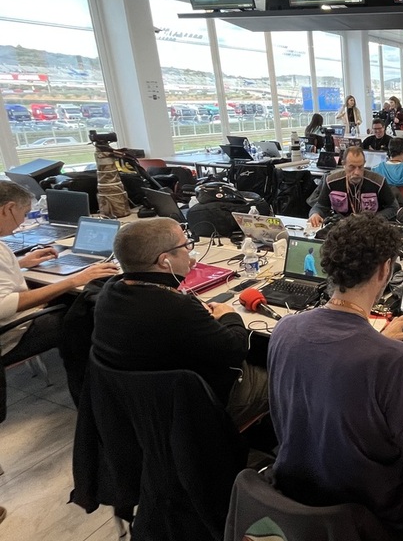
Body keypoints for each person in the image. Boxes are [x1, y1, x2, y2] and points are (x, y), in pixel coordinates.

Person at [268, 213, 403, 536]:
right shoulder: (394, 360)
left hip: (295, 496)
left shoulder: (285, 329)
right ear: (385, 269)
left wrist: (379, 339)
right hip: (369, 515)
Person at [92, 217, 268, 428]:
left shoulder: (109, 292)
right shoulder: (177, 309)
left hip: (138, 408)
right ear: (164, 261)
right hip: (196, 406)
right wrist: (229, 314)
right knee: (287, 375)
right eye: (185, 245)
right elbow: (236, 349)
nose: (190, 253)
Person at [0, 182, 118, 377]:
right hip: (9, 335)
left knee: (70, 301)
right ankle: (88, 382)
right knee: (82, 316)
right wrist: (75, 279)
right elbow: (3, 305)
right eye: (24, 213)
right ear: (9, 208)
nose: (22, 222)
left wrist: (20, 263)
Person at [308, 146, 398, 227]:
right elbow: (320, 206)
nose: (357, 172)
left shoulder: (378, 181)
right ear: (344, 164)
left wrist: (374, 220)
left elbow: (393, 207)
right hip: (342, 227)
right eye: (352, 167)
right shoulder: (331, 181)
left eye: (360, 167)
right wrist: (315, 214)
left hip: (370, 227)